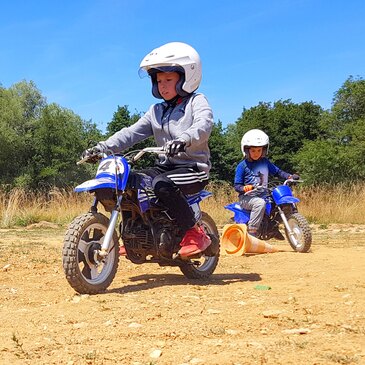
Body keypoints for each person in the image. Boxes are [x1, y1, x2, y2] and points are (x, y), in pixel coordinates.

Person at [82, 42, 213, 258]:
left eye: (168, 80)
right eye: (159, 81)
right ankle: (132, 237)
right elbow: (131, 133)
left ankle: (195, 232)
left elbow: (204, 124)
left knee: (162, 184)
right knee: (128, 181)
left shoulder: (196, 102)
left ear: (187, 76)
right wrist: (102, 147)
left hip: (192, 168)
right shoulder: (156, 111)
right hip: (165, 166)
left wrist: (184, 139)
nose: (162, 85)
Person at [234, 129, 299, 237]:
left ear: (264, 150)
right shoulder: (242, 166)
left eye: (259, 150)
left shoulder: (265, 162)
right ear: (246, 150)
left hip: (264, 194)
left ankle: (273, 226)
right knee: (260, 203)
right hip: (246, 198)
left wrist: (289, 176)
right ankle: (252, 231)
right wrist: (244, 188)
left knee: (283, 202)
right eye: (253, 151)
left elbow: (278, 172)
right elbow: (237, 185)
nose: (256, 153)